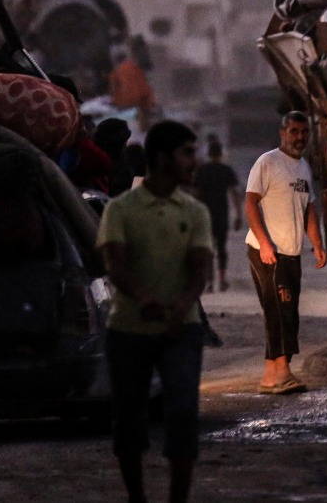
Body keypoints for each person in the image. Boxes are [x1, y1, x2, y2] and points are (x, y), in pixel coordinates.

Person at [97, 120, 214, 503]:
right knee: (129, 420)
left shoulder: (195, 212)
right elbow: (116, 265)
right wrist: (142, 298)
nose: (193, 162)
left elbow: (200, 270)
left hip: (182, 330)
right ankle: (137, 498)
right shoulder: (121, 209)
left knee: (182, 415)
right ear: (162, 158)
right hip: (128, 329)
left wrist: (182, 307)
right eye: (186, 152)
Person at [245, 111, 327, 394]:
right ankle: (282, 371)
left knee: (286, 311)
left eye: (304, 132)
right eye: (294, 131)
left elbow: (309, 210)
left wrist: (317, 243)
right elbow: (250, 203)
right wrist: (264, 242)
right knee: (280, 311)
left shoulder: (303, 166)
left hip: (291, 252)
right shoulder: (268, 162)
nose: (299, 137)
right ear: (282, 133)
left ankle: (271, 376)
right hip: (267, 250)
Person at [193, 135, 243, 292]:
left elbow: (195, 193)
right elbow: (234, 194)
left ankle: (209, 282)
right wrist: (239, 215)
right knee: (221, 247)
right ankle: (221, 280)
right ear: (220, 154)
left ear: (209, 153)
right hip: (222, 213)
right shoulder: (226, 170)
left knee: (207, 249)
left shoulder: (201, 170)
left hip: (205, 214)